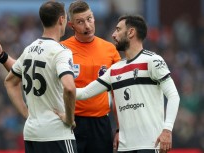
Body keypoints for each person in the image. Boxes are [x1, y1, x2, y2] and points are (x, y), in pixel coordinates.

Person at [0, 1, 121, 153]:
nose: (87, 26)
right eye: (80, 22)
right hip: (68, 119)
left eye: (89, 19)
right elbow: (31, 70)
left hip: (99, 123)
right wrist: (2, 57)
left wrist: (120, 128)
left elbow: (118, 91)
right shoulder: (62, 50)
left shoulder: (110, 50)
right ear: (70, 24)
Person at [75, 15, 180, 153]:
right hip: (125, 147)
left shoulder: (152, 60)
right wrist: (54, 89)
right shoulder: (115, 69)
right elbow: (83, 93)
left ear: (131, 32)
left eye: (118, 30)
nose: (113, 35)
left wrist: (167, 129)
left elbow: (173, 95)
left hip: (150, 145)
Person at [0, 1, 77, 153]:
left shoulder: (30, 49)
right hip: (56, 134)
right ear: (61, 19)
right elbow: (70, 87)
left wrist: (26, 114)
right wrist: (69, 118)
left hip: (32, 133)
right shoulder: (61, 52)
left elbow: (11, 81)